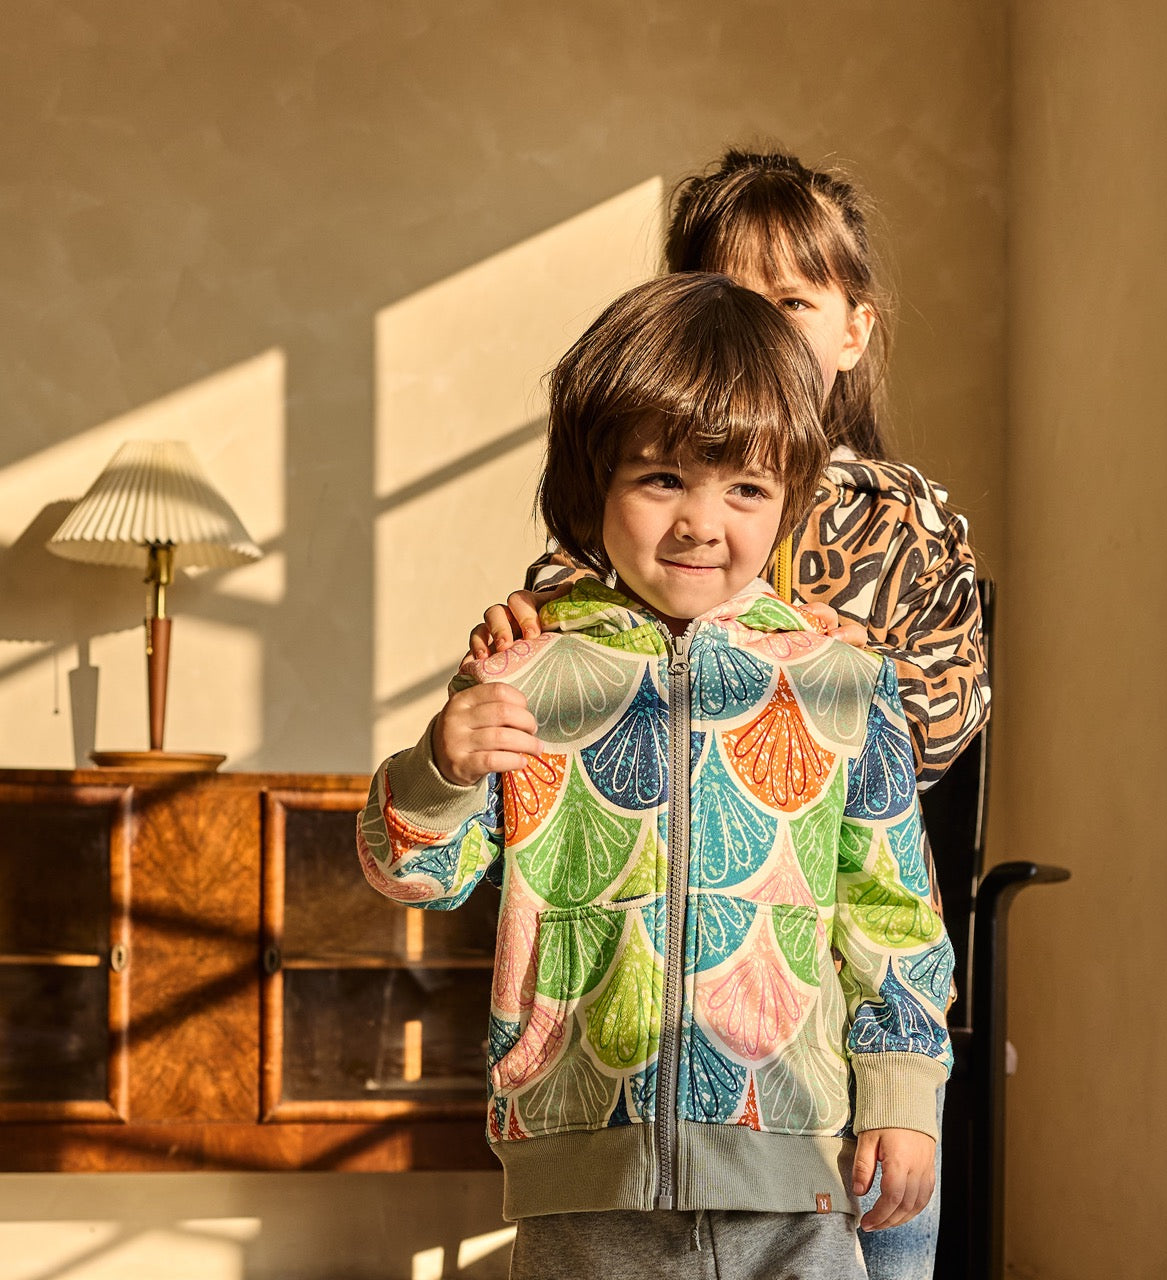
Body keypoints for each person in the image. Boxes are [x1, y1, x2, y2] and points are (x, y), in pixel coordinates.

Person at [358, 273, 954, 1280]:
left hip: (791, 1161)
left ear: (789, 500)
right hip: (583, 1176)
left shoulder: (840, 680)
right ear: (595, 481)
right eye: (662, 479)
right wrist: (439, 765)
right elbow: (414, 873)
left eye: (746, 488)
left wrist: (900, 1096)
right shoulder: (526, 667)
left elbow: (890, 910)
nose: (700, 523)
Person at [467, 147, 990, 1278]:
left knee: (888, 1214)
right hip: (626, 1022)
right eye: (727, 298)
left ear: (851, 328)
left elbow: (948, 719)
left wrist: (859, 668)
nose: (756, 330)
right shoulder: (598, 553)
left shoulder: (898, 520)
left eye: (788, 305)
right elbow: (549, 689)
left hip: (818, 963)